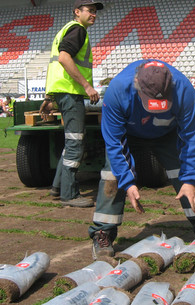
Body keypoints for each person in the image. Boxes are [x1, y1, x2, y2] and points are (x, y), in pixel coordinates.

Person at [88, 59, 195, 259]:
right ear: (137, 83)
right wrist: (128, 183)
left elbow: (191, 138)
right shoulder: (117, 91)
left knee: (187, 174)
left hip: (167, 133)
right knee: (112, 175)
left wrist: (189, 179)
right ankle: (103, 232)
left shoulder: (183, 89)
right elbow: (114, 142)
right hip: (129, 133)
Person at [42, 0, 104, 207]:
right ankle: (69, 195)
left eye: (95, 11)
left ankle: (58, 187)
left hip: (63, 92)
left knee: (71, 142)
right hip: (70, 93)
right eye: (90, 10)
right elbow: (63, 58)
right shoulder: (78, 30)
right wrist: (87, 86)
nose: (93, 14)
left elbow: (55, 64)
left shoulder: (67, 29)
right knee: (76, 143)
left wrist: (49, 98)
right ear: (77, 12)